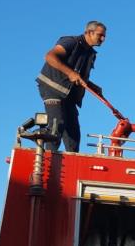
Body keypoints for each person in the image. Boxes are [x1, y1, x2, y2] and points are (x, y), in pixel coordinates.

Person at [36, 21, 107, 152]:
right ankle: (47, 163)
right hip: (53, 89)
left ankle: (71, 168)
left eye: (104, 36)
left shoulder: (90, 54)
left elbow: (78, 77)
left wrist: (92, 86)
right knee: (56, 128)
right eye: (100, 35)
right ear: (89, 33)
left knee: (73, 136)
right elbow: (49, 56)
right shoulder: (70, 42)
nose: (103, 39)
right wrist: (70, 73)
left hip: (68, 96)